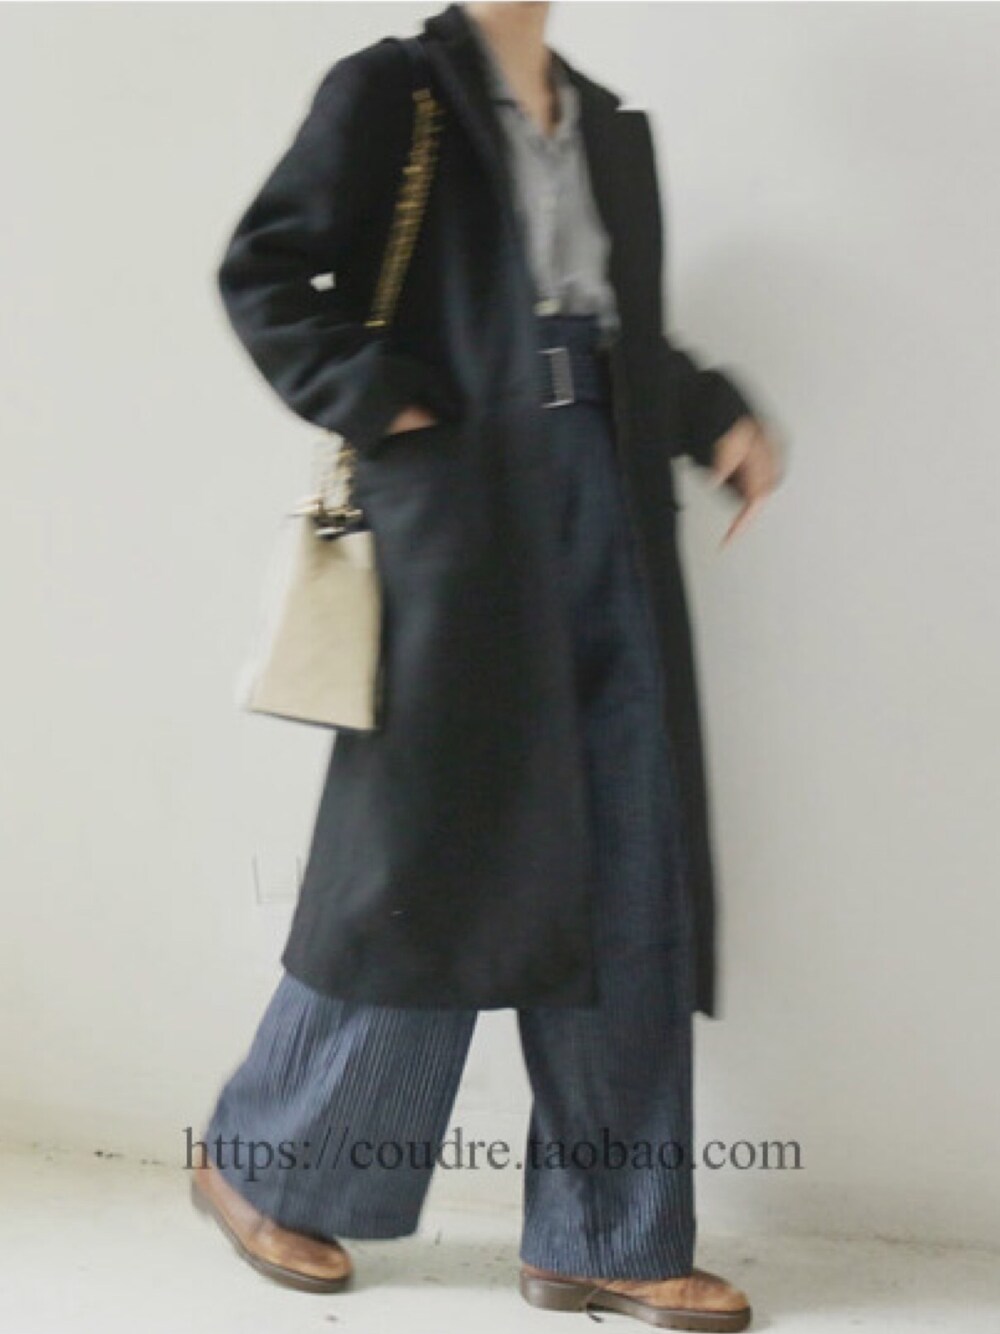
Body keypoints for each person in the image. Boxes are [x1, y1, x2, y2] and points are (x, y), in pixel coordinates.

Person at [192, 4, 780, 1330]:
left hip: (611, 503)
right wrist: (381, 397)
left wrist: (712, 415)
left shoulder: (605, 123)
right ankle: (263, 1162)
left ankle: (609, 1236)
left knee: (627, 855)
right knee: (433, 861)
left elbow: (616, 327)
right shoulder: (393, 91)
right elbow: (266, 271)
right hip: (461, 504)